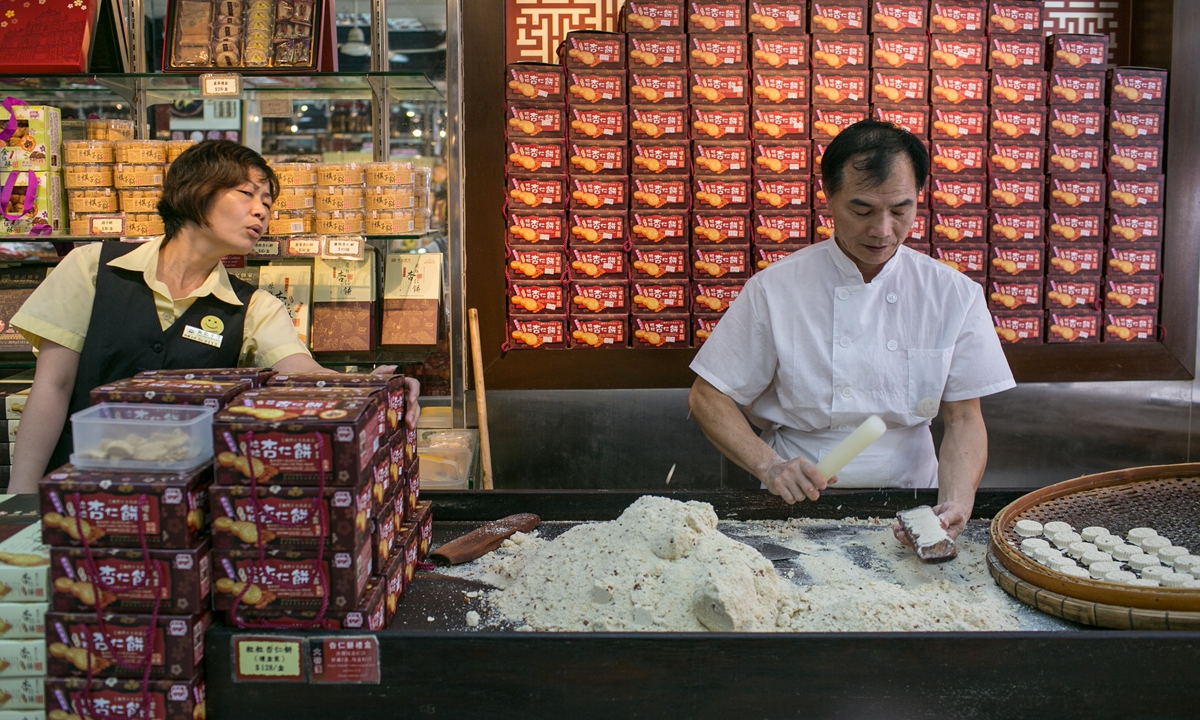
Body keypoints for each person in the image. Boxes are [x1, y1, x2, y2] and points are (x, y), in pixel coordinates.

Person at [8, 140, 419, 493]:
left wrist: (378, 384)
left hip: (183, 506)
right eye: (246, 193)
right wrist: (21, 500)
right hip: (76, 488)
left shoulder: (253, 305)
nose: (261, 212)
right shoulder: (93, 267)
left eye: (267, 202)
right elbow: (52, 387)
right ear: (196, 191)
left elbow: (302, 370)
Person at [688, 121, 1015, 542]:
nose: (882, 230)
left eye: (900, 210)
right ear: (829, 197)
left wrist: (957, 501)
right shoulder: (777, 288)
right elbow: (707, 396)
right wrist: (769, 466)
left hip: (914, 498)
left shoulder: (952, 294)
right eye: (862, 211)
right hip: (799, 500)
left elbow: (965, 417)